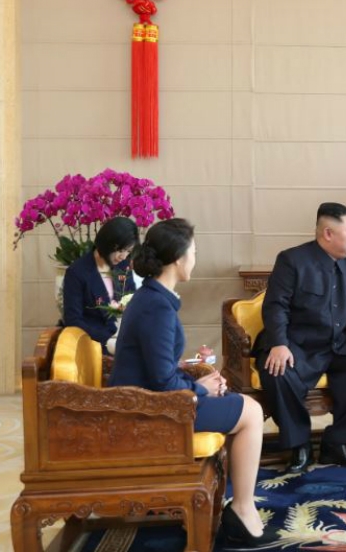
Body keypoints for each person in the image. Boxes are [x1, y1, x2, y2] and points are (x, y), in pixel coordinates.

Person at [109, 219, 274, 547]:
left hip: (148, 401)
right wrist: (201, 388)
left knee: (243, 405)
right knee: (252, 412)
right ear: (178, 258)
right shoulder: (156, 306)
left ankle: (237, 506)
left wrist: (198, 380)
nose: (195, 259)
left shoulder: (153, 298)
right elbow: (162, 382)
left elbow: (160, 370)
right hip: (150, 412)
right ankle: (241, 510)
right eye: (194, 252)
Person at [252, 202, 346, 473]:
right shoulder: (292, 260)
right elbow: (275, 306)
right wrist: (279, 343)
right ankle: (299, 445)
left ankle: (339, 442)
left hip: (340, 344)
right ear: (328, 233)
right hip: (298, 343)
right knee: (277, 371)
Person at [62, 216, 139, 354]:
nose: (123, 256)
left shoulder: (123, 265)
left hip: (124, 338)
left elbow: (131, 298)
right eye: (120, 250)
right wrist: (107, 341)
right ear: (107, 242)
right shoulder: (77, 272)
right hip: (94, 344)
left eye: (128, 251)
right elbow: (73, 320)